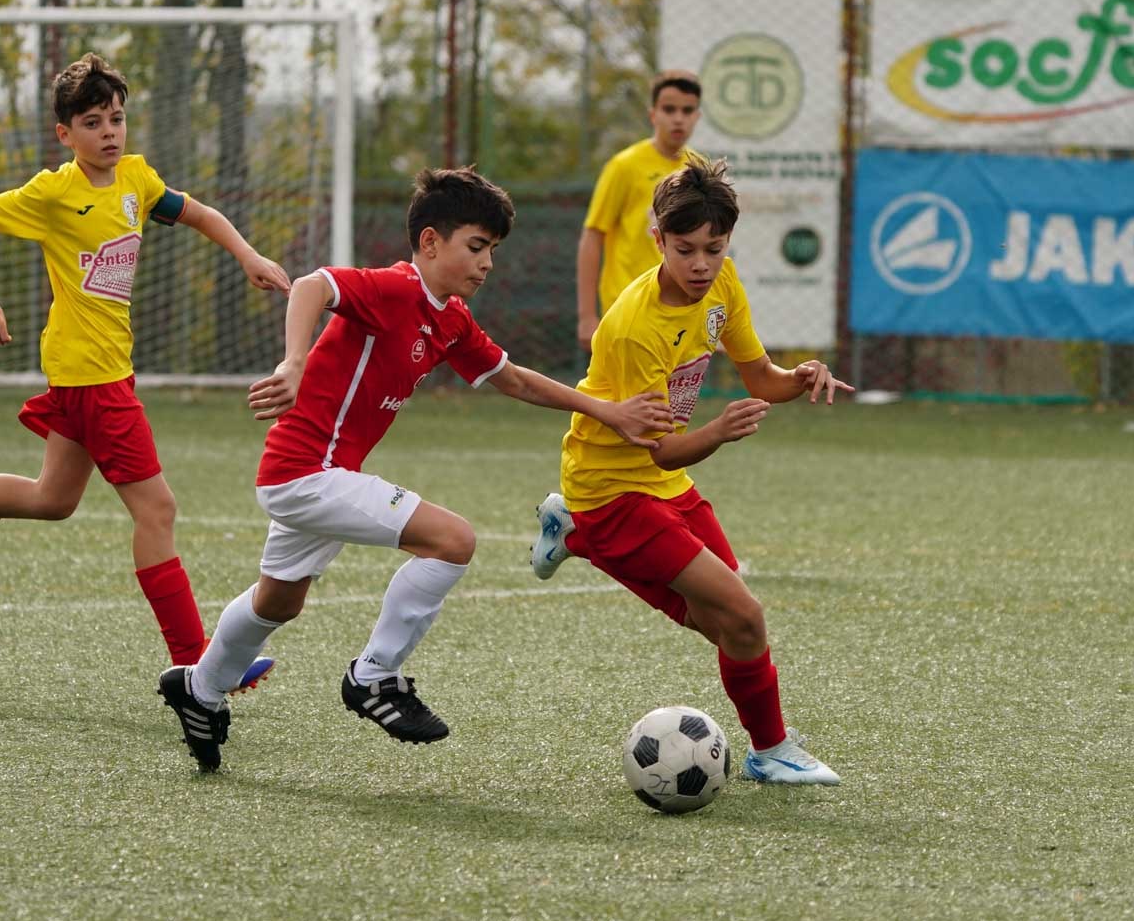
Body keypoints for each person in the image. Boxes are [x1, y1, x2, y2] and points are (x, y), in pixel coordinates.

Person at [156, 166, 674, 772]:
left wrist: (604, 410)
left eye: (493, 251)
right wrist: (293, 363)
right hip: (307, 472)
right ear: (430, 242)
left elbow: (511, 378)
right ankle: (375, 675)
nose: (486, 264)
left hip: (314, 476)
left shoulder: (448, 316)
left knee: (279, 601)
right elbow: (310, 286)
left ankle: (200, 688)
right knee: (453, 541)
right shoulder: (397, 289)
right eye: (475, 247)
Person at [0, 52, 288, 691]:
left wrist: (246, 252)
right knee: (157, 510)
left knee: (52, 499)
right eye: (92, 122)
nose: (109, 132)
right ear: (65, 134)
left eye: (116, 118)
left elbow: (197, 213)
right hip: (90, 377)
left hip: (102, 371)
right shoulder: (55, 191)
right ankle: (201, 662)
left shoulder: (136, 179)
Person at [532, 157, 852, 786]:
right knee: (743, 617)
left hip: (663, 484)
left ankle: (571, 533)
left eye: (714, 247)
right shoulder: (633, 327)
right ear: (659, 241)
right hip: (613, 487)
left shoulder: (722, 285)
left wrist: (801, 374)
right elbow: (661, 450)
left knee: (730, 623)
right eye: (685, 250)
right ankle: (771, 750)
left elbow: (761, 377)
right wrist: (719, 431)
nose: (702, 264)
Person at [577, 70, 704, 350]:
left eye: (687, 110)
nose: (678, 118)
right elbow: (593, 236)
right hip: (627, 308)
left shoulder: (698, 169)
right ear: (653, 115)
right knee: (625, 394)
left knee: (674, 394)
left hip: (678, 312)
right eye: (669, 109)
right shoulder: (624, 166)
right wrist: (587, 316)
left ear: (697, 116)